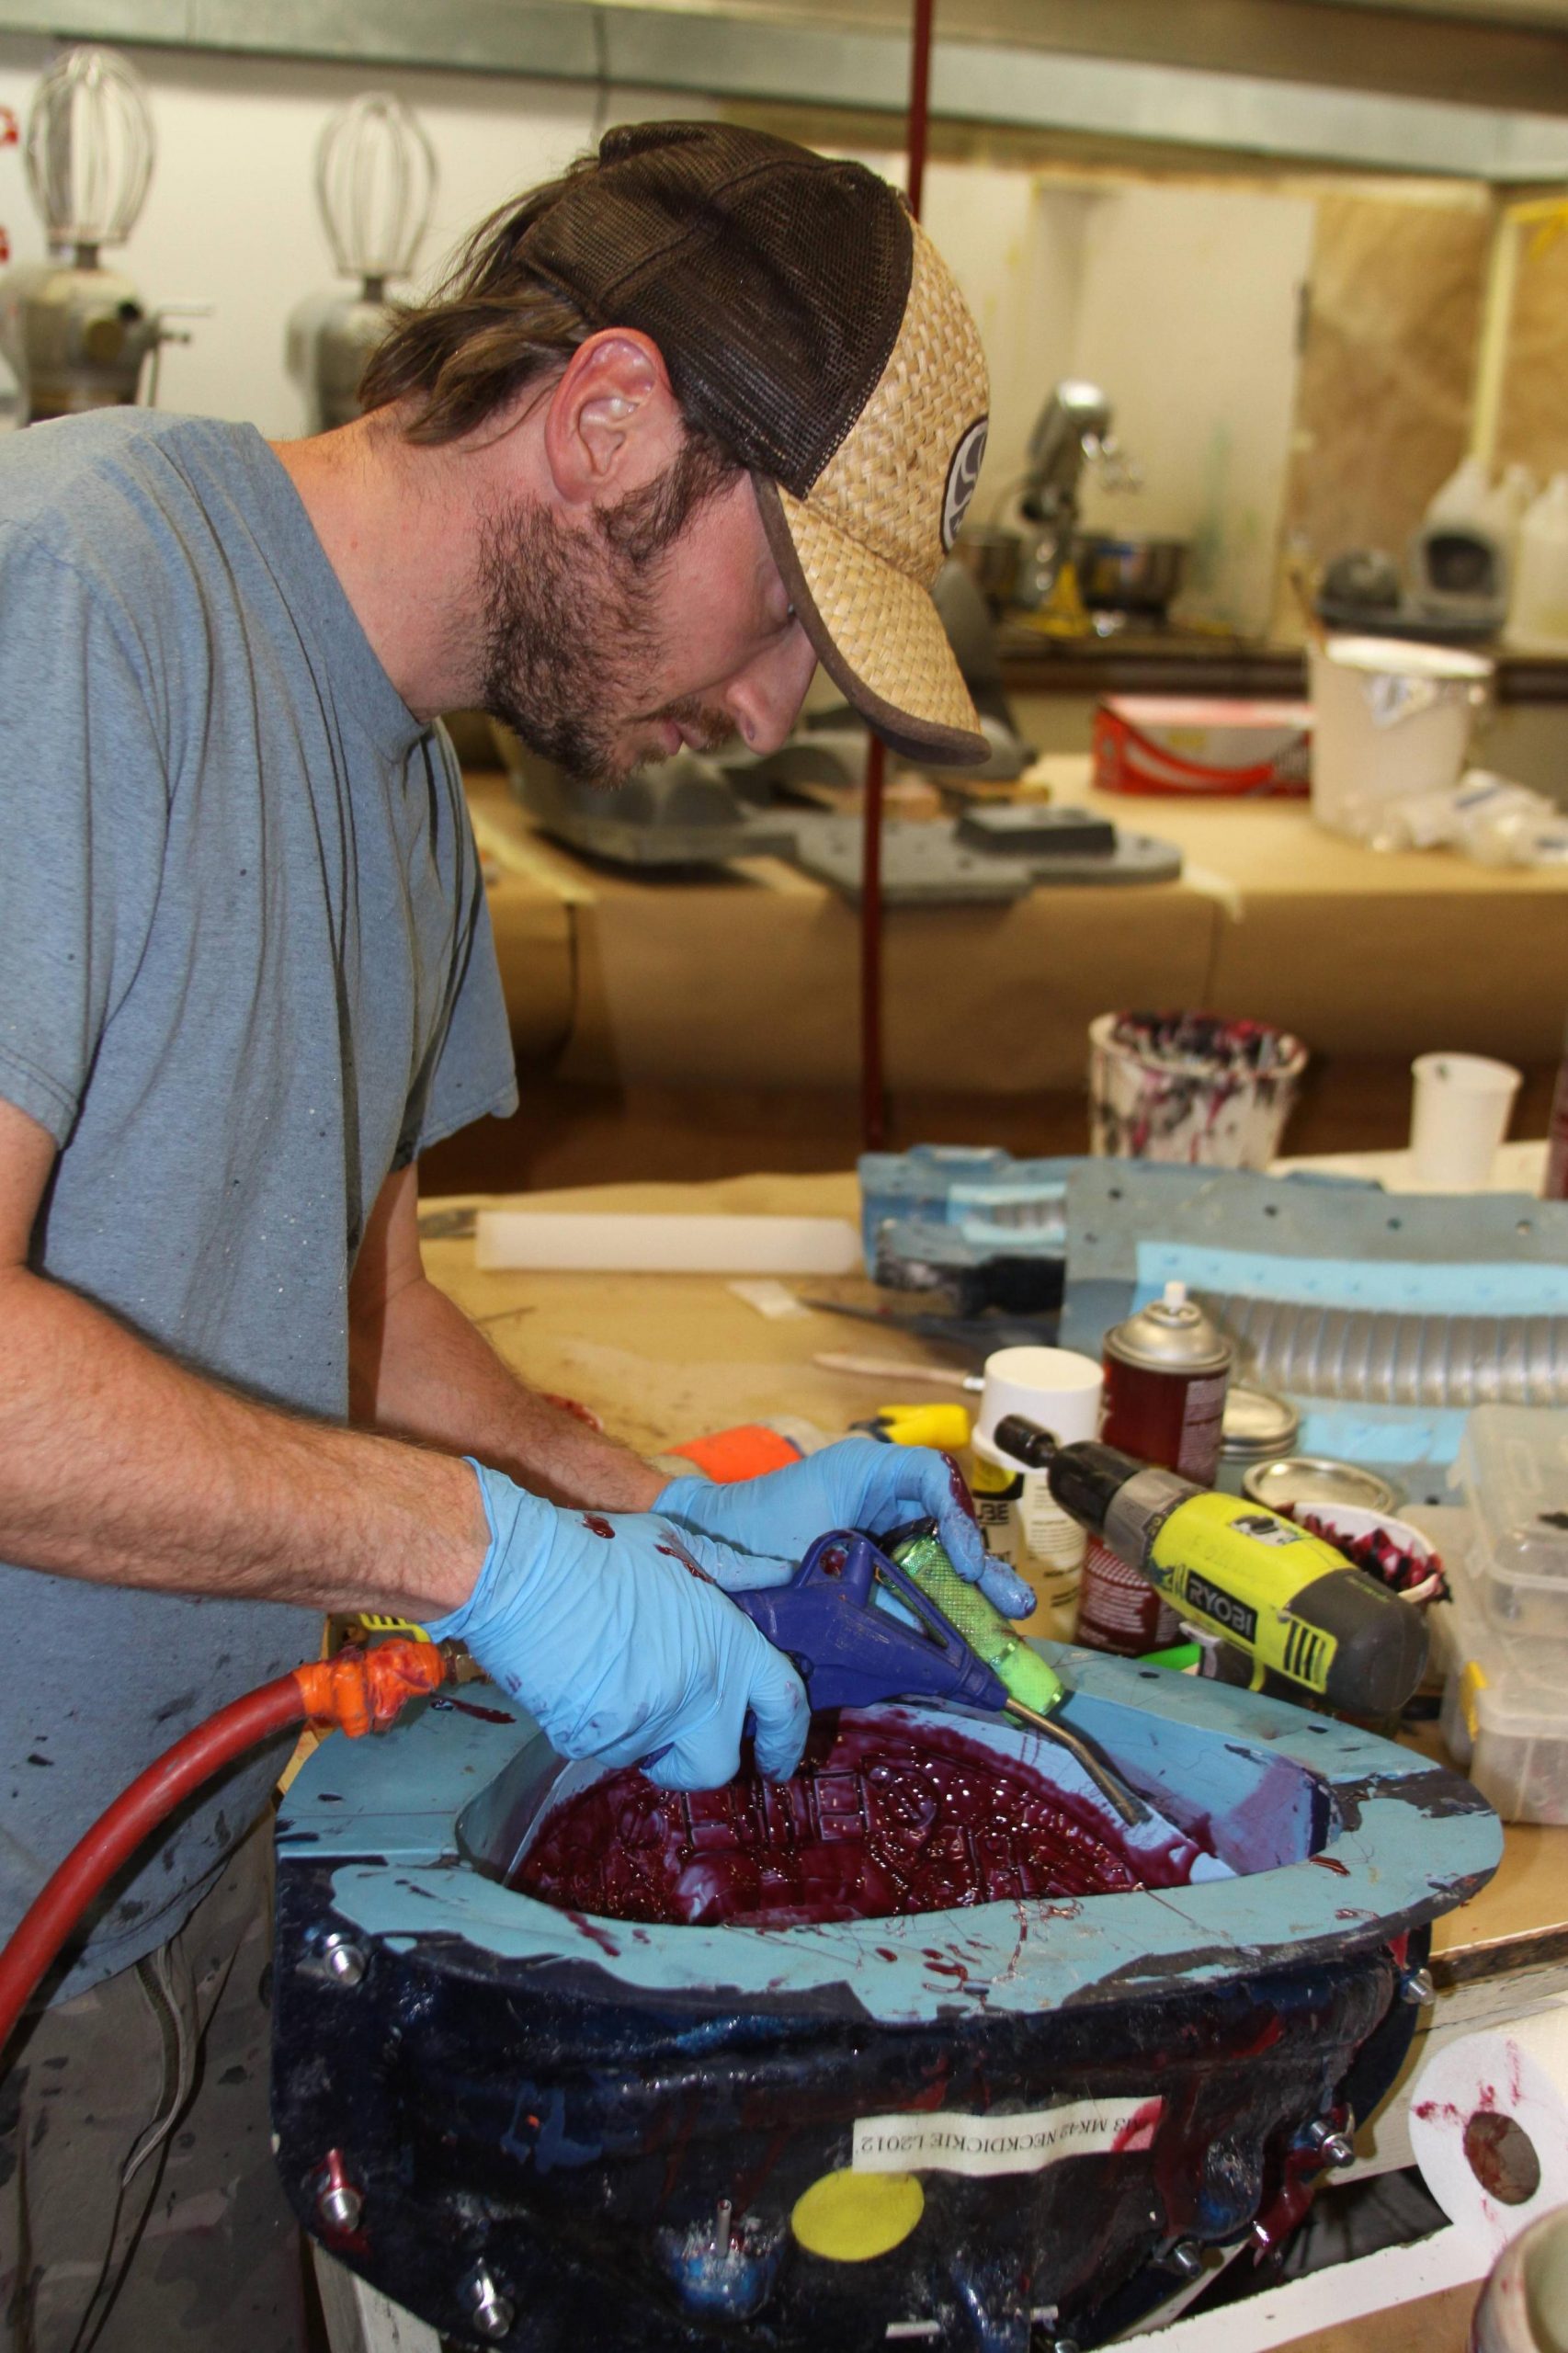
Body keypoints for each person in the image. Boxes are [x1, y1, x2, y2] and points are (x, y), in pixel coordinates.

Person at [0, 120, 1006, 2351]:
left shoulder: (407, 791)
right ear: (612, 418)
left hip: (178, 1889)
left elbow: (353, 1312)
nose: (764, 714)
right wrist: (488, 1554)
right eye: (781, 614)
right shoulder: (83, 596)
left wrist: (648, 1513)